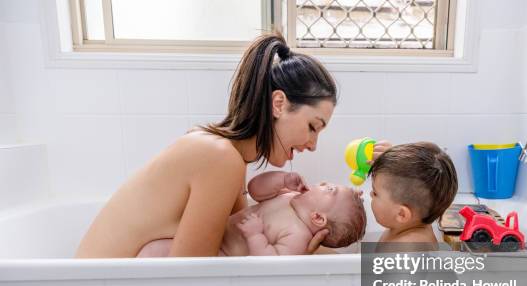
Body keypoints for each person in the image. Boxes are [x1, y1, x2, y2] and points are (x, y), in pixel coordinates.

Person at [75, 32, 340, 258]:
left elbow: (240, 246)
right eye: (312, 127)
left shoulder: (223, 152)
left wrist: (316, 253)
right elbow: (195, 282)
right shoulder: (219, 158)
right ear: (279, 104)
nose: (313, 145)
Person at [136, 171, 367, 257]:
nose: (324, 181)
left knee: (152, 254)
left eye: (330, 189)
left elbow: (269, 263)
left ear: (318, 217)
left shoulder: (297, 236)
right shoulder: (289, 196)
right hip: (210, 234)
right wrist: (282, 180)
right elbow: (255, 189)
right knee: (151, 244)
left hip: (221, 255)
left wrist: (256, 235)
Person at [368, 142, 458, 244]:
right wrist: (392, 161)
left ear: (401, 214)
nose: (370, 194)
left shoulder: (407, 250)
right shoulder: (416, 219)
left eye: (375, 193)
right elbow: (419, 170)